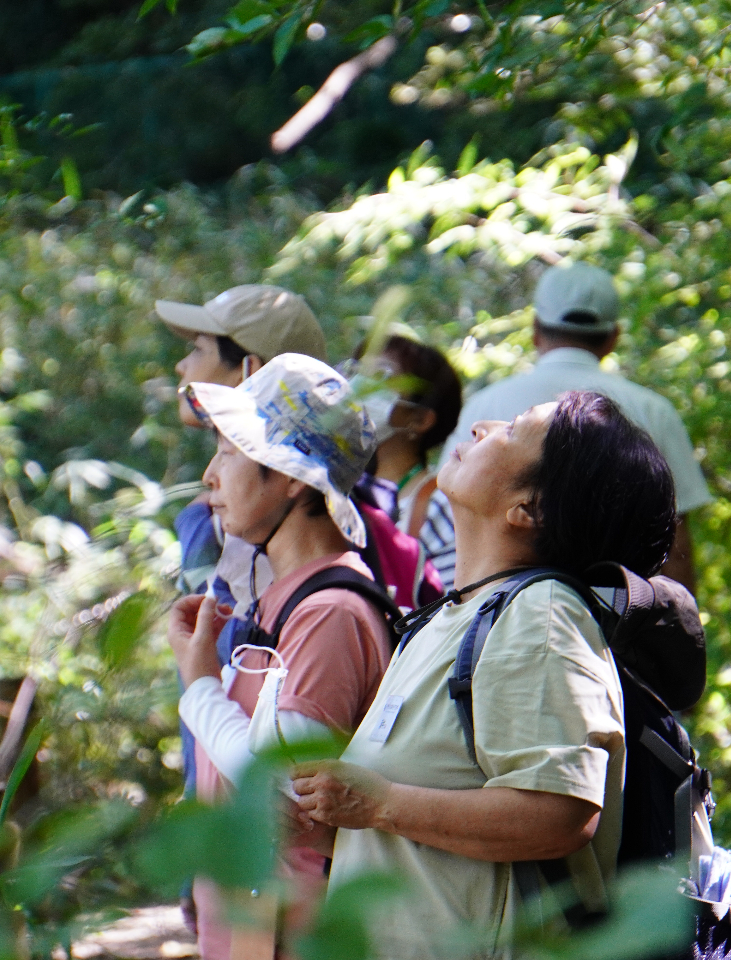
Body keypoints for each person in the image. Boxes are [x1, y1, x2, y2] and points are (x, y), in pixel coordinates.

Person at [291, 391, 678, 957]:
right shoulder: (451, 618)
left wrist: (378, 804)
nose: (481, 427)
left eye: (512, 429)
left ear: (530, 507)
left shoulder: (540, 617)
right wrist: (326, 818)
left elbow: (559, 816)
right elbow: (421, 832)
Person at [168, 353, 394, 960]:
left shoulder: (330, 614)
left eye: (229, 451)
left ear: (293, 477)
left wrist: (200, 686)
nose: (210, 477)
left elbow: (279, 791)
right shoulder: (282, 597)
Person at [155, 283, 328, 934]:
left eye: (199, 348)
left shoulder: (250, 528)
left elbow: (233, 695)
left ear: (250, 368)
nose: (182, 366)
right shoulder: (274, 511)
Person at [430, 262, 710, 592]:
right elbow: (675, 547)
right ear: (613, 338)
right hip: (615, 612)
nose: (483, 430)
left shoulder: (484, 404)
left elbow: (442, 517)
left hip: (483, 598)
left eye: (511, 428)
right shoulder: (654, 412)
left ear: (535, 330)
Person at [351, 332, 463, 588]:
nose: (358, 387)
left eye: (381, 377)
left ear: (420, 419)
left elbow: (449, 601)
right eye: (357, 371)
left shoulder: (440, 505)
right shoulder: (337, 486)